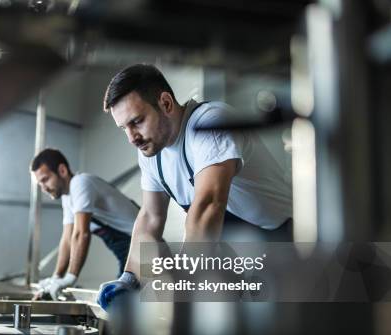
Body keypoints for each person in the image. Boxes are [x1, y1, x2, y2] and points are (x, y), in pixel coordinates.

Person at [97, 64, 292, 309]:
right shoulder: (151, 153)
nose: (131, 137)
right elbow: (150, 219)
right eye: (124, 127)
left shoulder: (210, 123)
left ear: (166, 103)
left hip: (285, 247)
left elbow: (208, 205)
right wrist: (129, 277)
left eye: (136, 121)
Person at [30, 148, 139, 300]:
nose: (44, 188)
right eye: (40, 183)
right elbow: (67, 239)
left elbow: (81, 233)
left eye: (45, 179)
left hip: (146, 247)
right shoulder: (67, 197)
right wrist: (56, 277)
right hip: (127, 253)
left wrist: (70, 278)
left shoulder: (80, 183)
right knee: (119, 302)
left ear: (62, 170)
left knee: (135, 304)